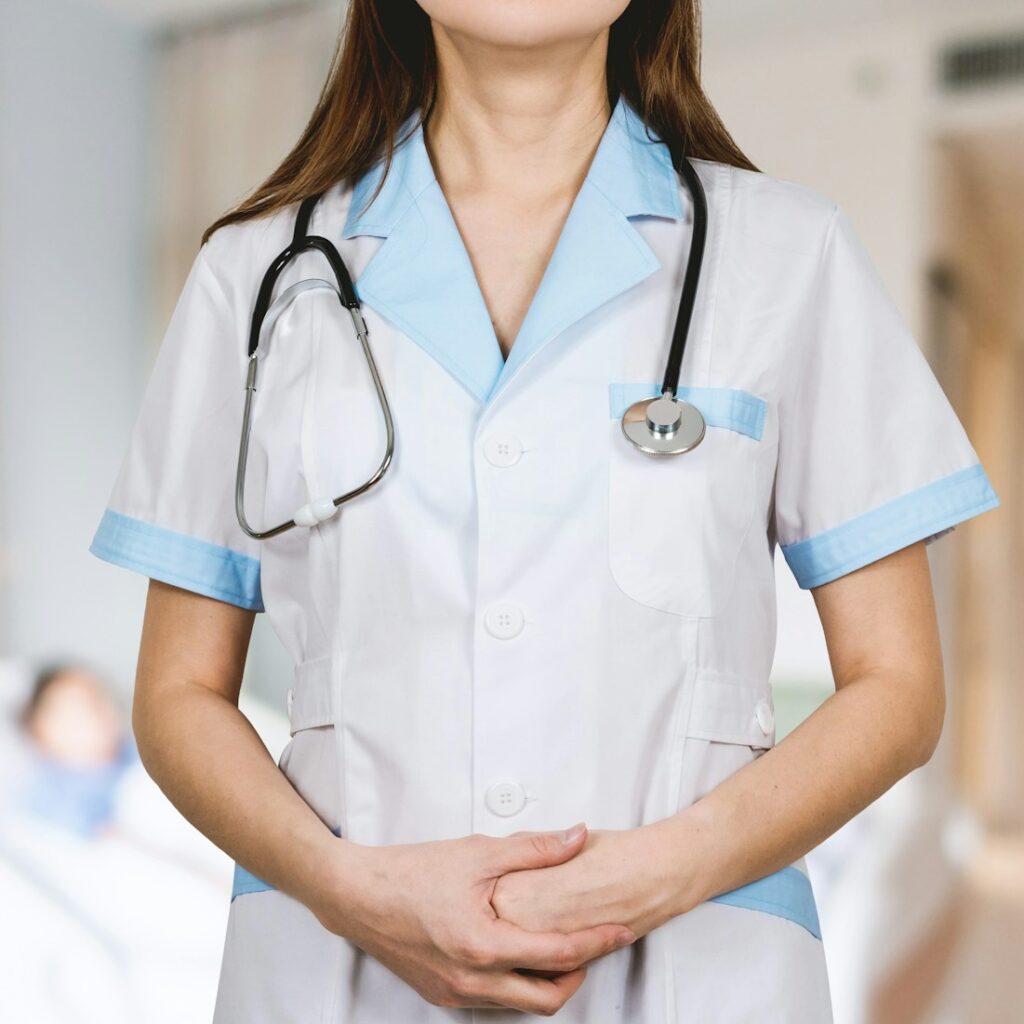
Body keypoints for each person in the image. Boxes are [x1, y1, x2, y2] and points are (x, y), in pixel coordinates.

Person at [88, 1, 1000, 1020]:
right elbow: (177, 696)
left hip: (696, 969)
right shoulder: (254, 278)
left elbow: (898, 686)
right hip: (339, 973)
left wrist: (665, 869)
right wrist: (349, 890)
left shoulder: (787, 256)